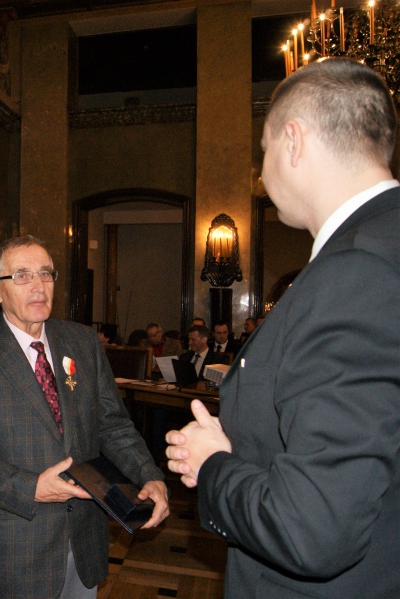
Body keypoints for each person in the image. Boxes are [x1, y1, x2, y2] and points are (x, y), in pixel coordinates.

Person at [166, 58, 399, 597]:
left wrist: (214, 464)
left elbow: (313, 530)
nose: (261, 170)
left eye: (263, 149)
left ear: (293, 141)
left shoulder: (355, 274)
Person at [0, 235, 169, 599]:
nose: (38, 286)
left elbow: (112, 424)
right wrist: (29, 487)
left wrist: (149, 475)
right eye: (22, 275)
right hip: (17, 546)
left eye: (46, 273)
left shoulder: (82, 342)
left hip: (84, 541)